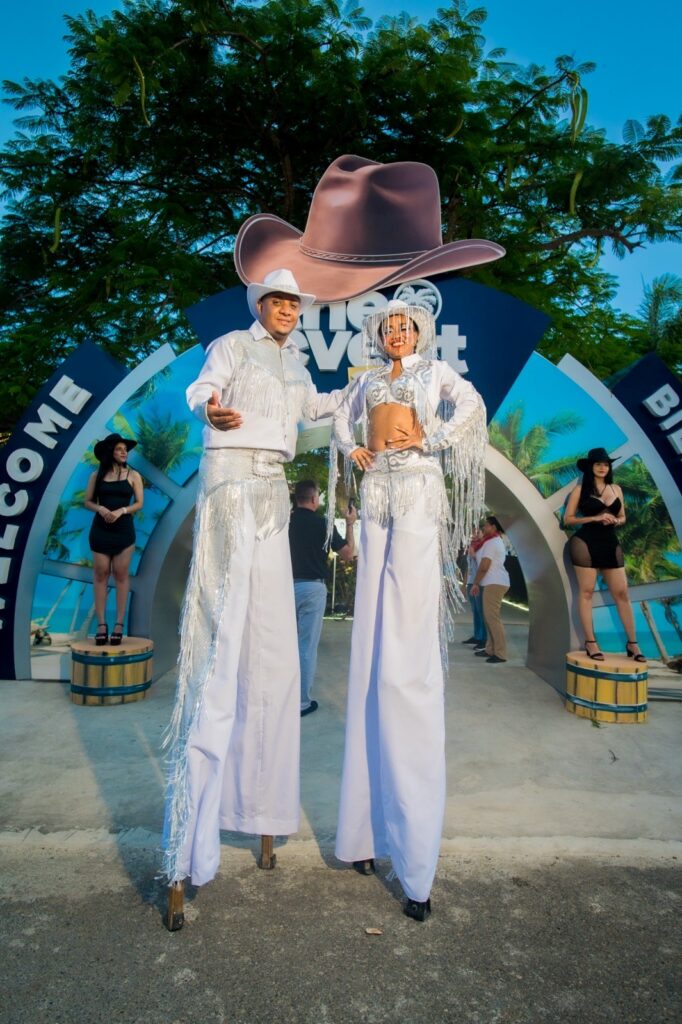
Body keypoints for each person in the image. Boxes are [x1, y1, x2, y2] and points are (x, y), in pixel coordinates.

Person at [162, 268, 348, 930]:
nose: (287, 310)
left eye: (294, 303)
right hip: (231, 488)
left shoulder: (293, 365)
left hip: (272, 493)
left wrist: (364, 387)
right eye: (277, 301)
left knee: (273, 662)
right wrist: (209, 407)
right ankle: (186, 848)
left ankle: (263, 817)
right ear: (259, 305)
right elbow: (202, 389)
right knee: (219, 652)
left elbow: (316, 408)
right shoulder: (232, 347)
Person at [329, 298, 487, 922]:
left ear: (418, 331)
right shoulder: (366, 381)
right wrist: (353, 449)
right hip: (375, 500)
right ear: (378, 334)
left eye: (404, 325)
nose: (395, 331)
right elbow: (342, 424)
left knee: (407, 667)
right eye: (387, 326)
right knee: (369, 656)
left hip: (419, 492)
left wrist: (436, 436)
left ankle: (415, 861)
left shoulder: (436, 372)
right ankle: (365, 836)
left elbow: (470, 407)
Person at [564, 447, 646, 662]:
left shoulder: (616, 488)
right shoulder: (579, 491)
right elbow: (568, 519)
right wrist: (594, 518)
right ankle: (591, 642)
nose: (602, 467)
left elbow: (623, 517)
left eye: (606, 464)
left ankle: (633, 644)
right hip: (585, 542)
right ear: (591, 467)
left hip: (610, 542)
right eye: (598, 464)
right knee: (587, 592)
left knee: (622, 594)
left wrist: (615, 520)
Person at [288, 479, 357, 717]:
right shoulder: (322, 524)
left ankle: (279, 696)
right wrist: (349, 524)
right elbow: (349, 554)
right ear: (314, 499)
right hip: (312, 589)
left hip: (283, 588)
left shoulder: (283, 521)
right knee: (306, 647)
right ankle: (301, 702)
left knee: (281, 645)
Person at [84, 433, 144, 646]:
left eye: (125, 449)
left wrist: (121, 510)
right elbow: (88, 502)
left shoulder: (133, 475)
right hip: (101, 529)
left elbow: (139, 503)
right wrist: (100, 508)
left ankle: (119, 623)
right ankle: (101, 624)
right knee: (101, 573)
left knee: (121, 574)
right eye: (119, 449)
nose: (124, 452)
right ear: (110, 452)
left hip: (123, 529)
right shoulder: (96, 475)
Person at [470, 515, 510, 664]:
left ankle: (500, 653)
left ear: (493, 527)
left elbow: (485, 566)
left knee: (492, 618)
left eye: (486, 525)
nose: (483, 528)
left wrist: (475, 583)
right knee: (489, 617)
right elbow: (481, 562)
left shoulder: (493, 542)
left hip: (495, 583)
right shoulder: (489, 542)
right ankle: (490, 649)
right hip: (492, 582)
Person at [461, 529, 487, 649]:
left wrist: (474, 553)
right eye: (472, 533)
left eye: (478, 532)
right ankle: (477, 636)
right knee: (475, 611)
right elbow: (468, 568)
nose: (474, 535)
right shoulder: (471, 548)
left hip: (480, 583)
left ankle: (484, 639)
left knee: (482, 612)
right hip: (472, 583)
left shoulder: (484, 548)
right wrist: (464, 584)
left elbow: (482, 565)